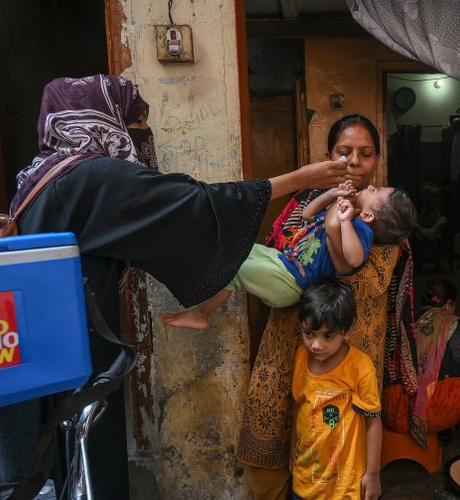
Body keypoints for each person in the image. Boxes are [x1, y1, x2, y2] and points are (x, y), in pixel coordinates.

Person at [0, 74, 348, 500]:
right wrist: (301, 178)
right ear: (106, 119)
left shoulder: (41, 172)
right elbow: (194, 204)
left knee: (33, 469)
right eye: (136, 124)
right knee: (66, 469)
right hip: (63, 357)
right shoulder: (90, 177)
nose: (142, 137)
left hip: (22, 352)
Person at [236, 114, 417, 500]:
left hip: (351, 355)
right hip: (287, 343)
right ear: (327, 155)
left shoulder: (385, 219)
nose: (354, 162)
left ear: (376, 160)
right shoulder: (306, 203)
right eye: (344, 152)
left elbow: (363, 280)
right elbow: (277, 255)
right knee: (268, 443)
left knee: (336, 458)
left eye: (366, 154)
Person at [160, 180, 416, 329]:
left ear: (369, 216)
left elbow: (354, 258)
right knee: (239, 248)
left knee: (235, 267)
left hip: (290, 282)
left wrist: (346, 220)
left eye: (375, 191)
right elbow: (307, 214)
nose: (370, 185)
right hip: (281, 262)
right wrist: (333, 195)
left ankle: (202, 314)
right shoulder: (342, 211)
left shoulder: (359, 229)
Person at [290, 278, 382, 500]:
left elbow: (373, 422)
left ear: (347, 331)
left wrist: (373, 473)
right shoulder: (301, 357)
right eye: (309, 333)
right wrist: (291, 451)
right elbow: (298, 406)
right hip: (305, 479)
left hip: (345, 486)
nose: (316, 344)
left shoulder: (360, 366)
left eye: (328, 336)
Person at [381, 278, 460, 451]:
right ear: (449, 304)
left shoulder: (405, 320)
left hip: (388, 407)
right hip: (414, 412)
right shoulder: (450, 324)